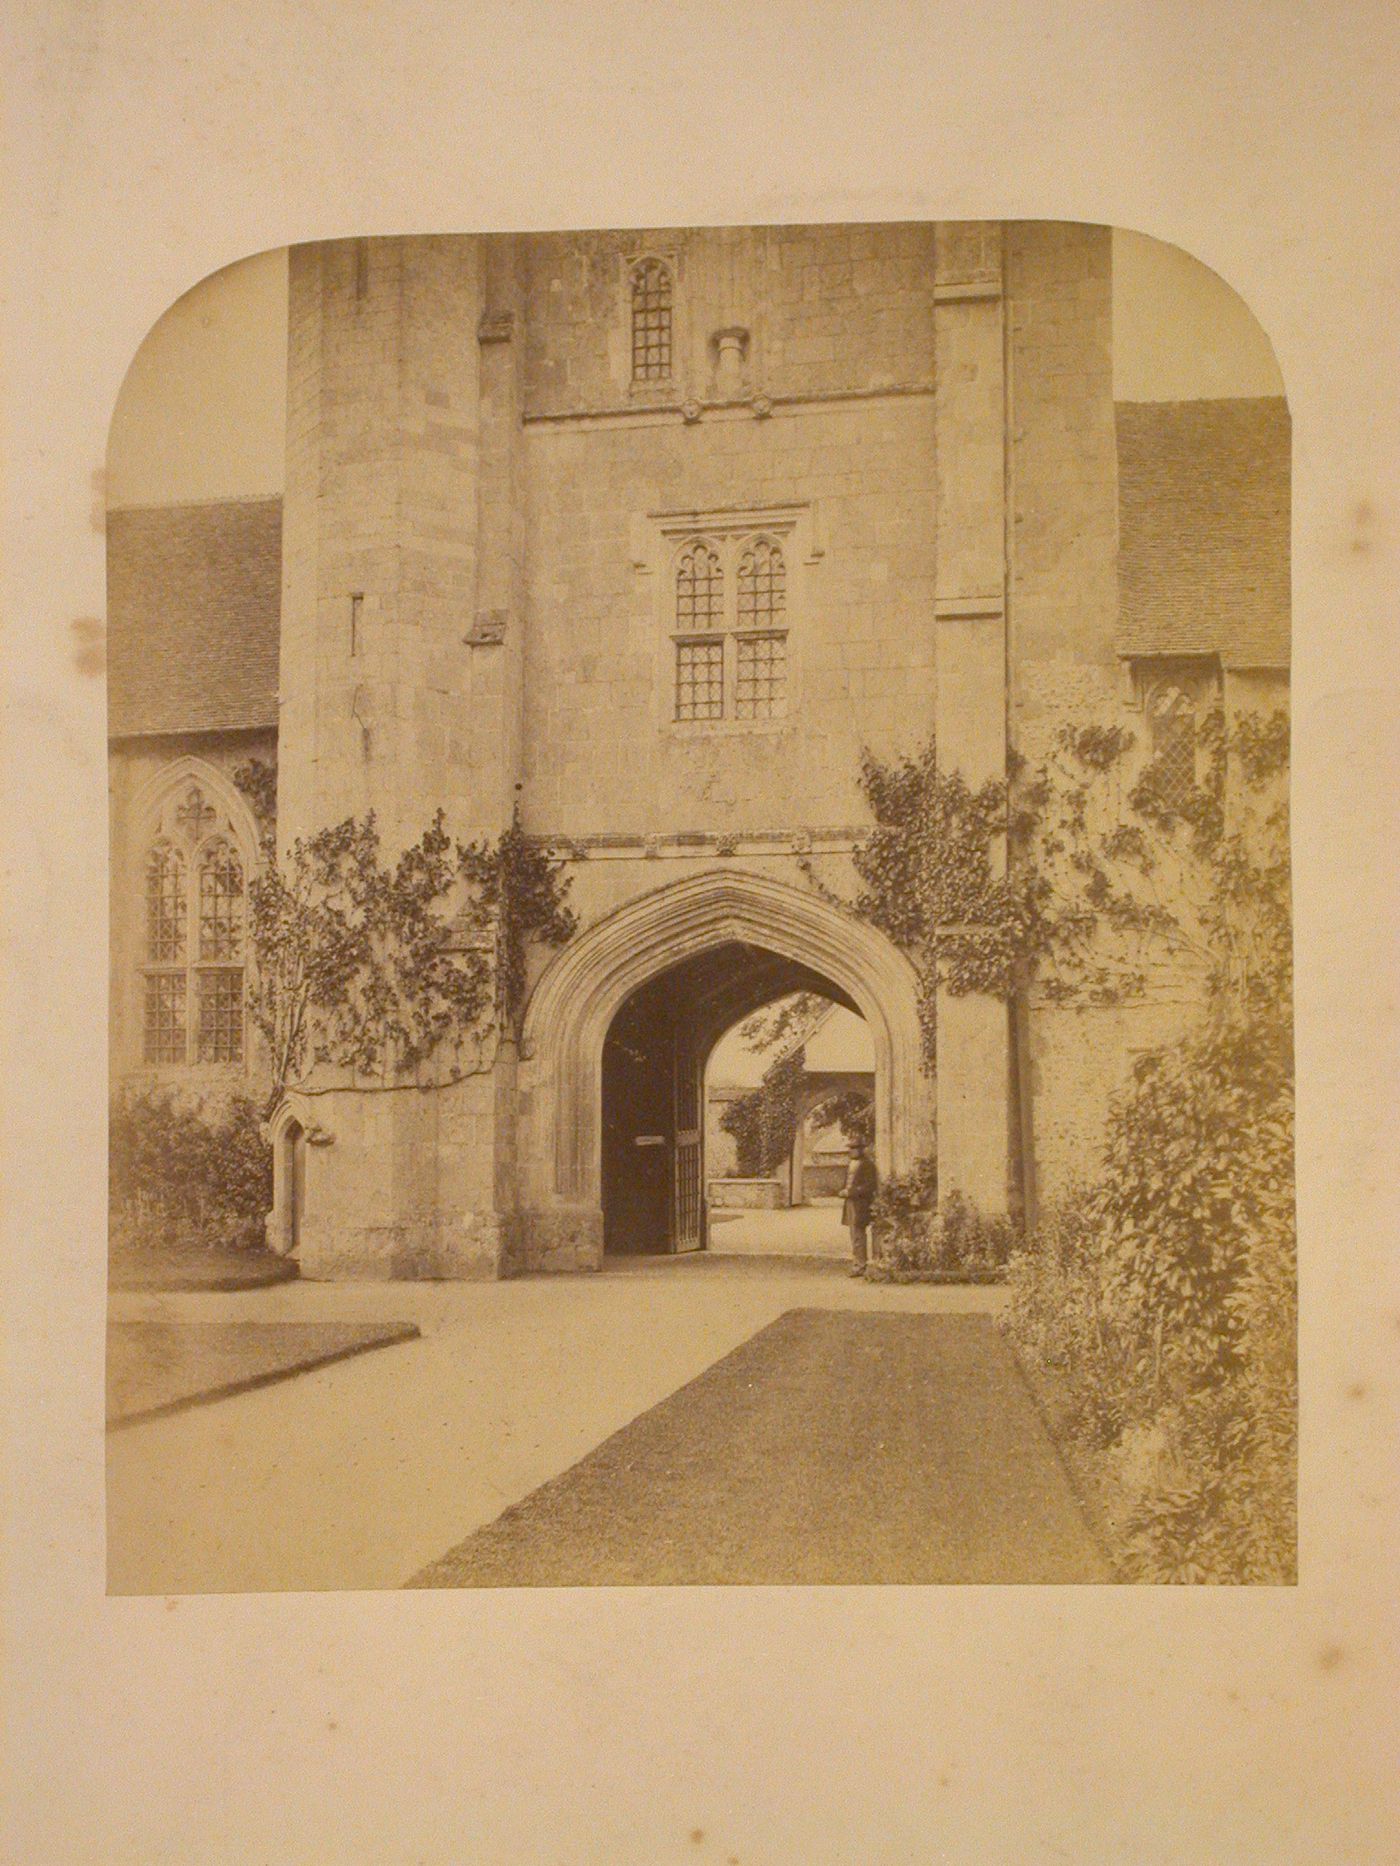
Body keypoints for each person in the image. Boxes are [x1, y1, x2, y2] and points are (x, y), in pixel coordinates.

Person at [841, 1139, 879, 1277]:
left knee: (859, 1234)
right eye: (851, 1148)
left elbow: (869, 1186)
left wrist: (851, 1192)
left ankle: (861, 1265)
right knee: (853, 1235)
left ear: (861, 1150)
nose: (851, 1151)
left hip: (861, 1204)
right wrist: (843, 1191)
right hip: (850, 1203)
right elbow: (846, 1183)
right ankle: (857, 1263)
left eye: (855, 1148)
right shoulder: (850, 1164)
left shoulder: (868, 1165)